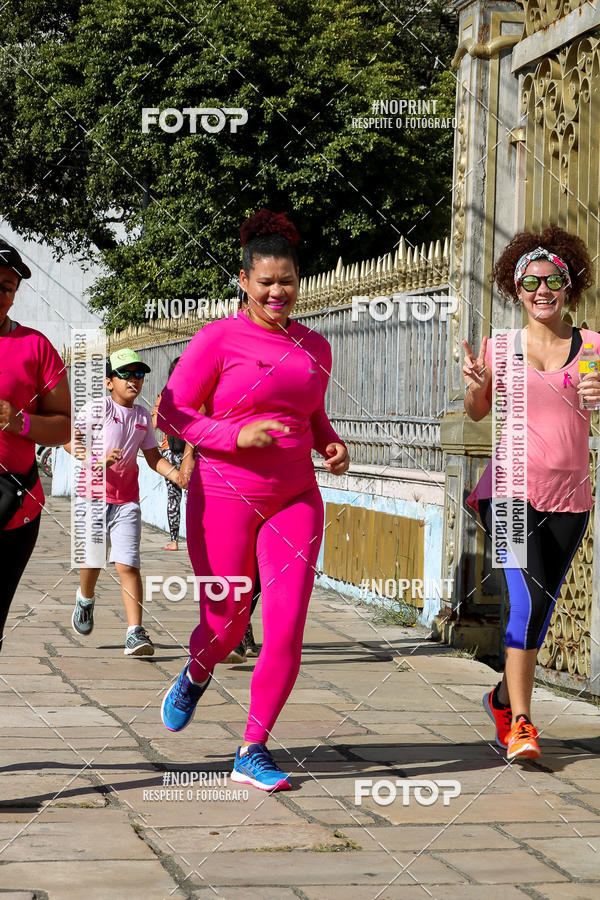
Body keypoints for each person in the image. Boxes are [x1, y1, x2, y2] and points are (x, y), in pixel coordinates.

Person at [158, 208, 349, 791]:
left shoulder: (315, 346)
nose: (277, 293)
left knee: (285, 628)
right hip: (223, 496)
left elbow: (310, 414)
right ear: (243, 281)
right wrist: (233, 436)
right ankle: (197, 671)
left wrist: (330, 443)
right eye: (265, 282)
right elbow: (171, 413)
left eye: (286, 281)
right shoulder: (216, 339)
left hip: (295, 497)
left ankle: (253, 748)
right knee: (226, 625)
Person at [464, 224, 598, 761]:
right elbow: (477, 411)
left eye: (553, 281)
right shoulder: (500, 348)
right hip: (508, 493)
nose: (542, 291)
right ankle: (521, 722)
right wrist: (477, 385)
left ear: (569, 285)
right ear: (515, 288)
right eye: (530, 282)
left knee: (542, 606)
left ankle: (500, 698)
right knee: (526, 601)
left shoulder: (592, 347)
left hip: (571, 500)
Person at [66, 348, 184, 656]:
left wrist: (176, 475)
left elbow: (153, 457)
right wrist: (95, 460)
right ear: (109, 382)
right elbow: (70, 440)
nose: (134, 379)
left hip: (127, 501)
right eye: (126, 374)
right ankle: (85, 598)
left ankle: (135, 632)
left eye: (139, 374)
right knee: (93, 559)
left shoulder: (143, 416)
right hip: (92, 496)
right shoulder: (99, 408)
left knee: (128, 565)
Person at [0, 240, 71, 653]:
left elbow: (63, 427)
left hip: (13, 508)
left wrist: (18, 421)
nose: (0, 294)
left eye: (7, 287)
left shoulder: (36, 347)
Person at [152, 356, 194, 551]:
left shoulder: (165, 393)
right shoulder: (195, 393)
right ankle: (188, 540)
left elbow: (155, 422)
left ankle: (174, 541)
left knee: (174, 496)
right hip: (186, 450)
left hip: (173, 450)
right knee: (189, 498)